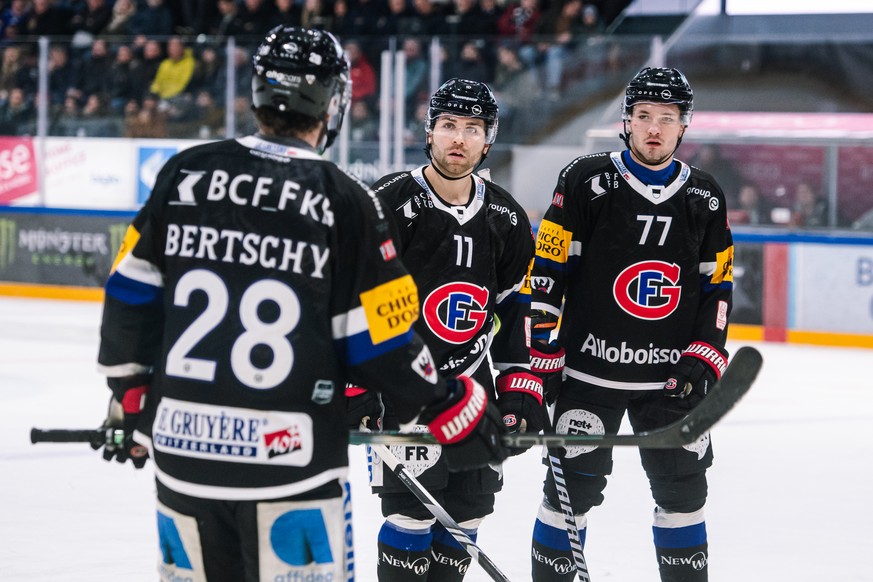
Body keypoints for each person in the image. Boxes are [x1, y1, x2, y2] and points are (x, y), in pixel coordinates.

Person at [92, 26, 508, 582]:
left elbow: (128, 293)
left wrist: (129, 395)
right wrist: (448, 403)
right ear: (333, 103)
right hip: (290, 459)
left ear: (259, 92)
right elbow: (380, 336)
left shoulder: (184, 174)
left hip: (184, 453)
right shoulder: (343, 199)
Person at [528, 67, 734, 582]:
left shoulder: (705, 197)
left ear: (684, 126)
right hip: (588, 378)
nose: (655, 129)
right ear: (627, 121)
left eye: (667, 118)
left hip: (671, 383)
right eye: (644, 116)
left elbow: (719, 289)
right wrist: (542, 348)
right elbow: (548, 270)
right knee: (567, 498)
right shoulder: (584, 180)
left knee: (684, 496)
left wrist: (706, 353)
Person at [346, 78, 542, 582]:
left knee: (466, 520)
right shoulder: (385, 203)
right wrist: (358, 388)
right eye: (449, 125)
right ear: (429, 131)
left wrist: (520, 388)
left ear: (488, 137)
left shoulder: (507, 219)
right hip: (402, 395)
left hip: (474, 392)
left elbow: (513, 313)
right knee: (410, 519)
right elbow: (352, 304)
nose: (459, 138)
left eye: (472, 128)